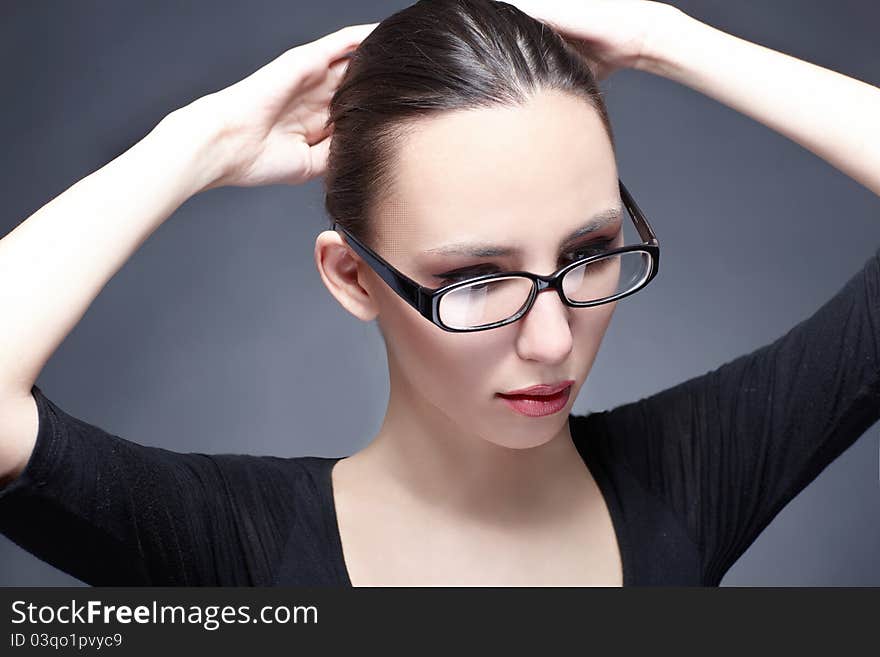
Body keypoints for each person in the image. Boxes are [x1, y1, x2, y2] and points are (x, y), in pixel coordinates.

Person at [0, 0, 878, 586]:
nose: (550, 341)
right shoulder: (242, 547)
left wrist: (665, 36)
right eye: (476, 279)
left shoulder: (689, 479)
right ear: (354, 278)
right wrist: (200, 141)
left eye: (590, 252)